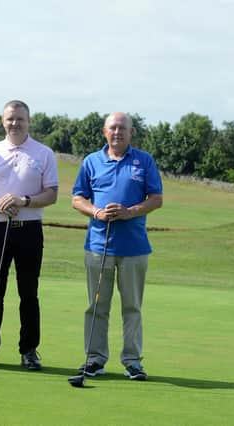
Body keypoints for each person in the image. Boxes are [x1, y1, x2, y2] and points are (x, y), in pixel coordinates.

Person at [0, 100, 58, 371]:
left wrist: (24, 200)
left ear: (29, 121)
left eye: (20, 119)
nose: (15, 123)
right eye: (10, 119)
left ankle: (29, 350)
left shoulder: (43, 153)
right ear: (2, 121)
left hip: (29, 231)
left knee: (28, 292)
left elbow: (51, 194)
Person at [71, 112, 163, 380]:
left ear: (131, 132)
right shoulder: (91, 161)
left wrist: (129, 211)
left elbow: (156, 198)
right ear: (104, 132)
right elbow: (77, 199)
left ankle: (133, 361)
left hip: (134, 248)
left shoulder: (143, 161)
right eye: (113, 128)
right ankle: (94, 359)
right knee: (97, 306)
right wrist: (97, 212)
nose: (117, 132)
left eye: (123, 128)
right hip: (98, 246)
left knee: (132, 307)